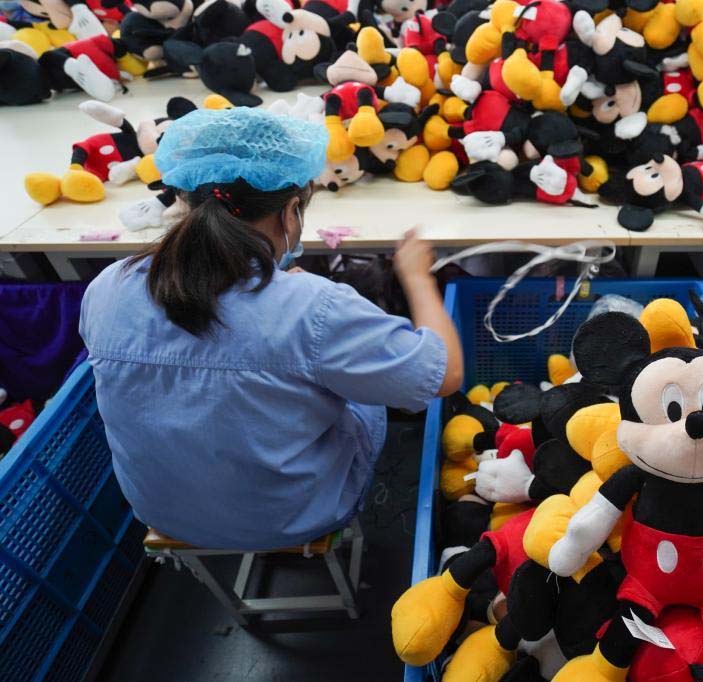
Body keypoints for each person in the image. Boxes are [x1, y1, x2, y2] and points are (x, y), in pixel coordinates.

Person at [79, 107, 463, 550]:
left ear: (182, 199)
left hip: (161, 509)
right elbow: (444, 374)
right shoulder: (314, 309)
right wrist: (416, 275)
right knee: (363, 395)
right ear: (291, 212)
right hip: (289, 518)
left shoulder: (109, 286)